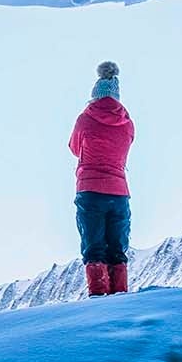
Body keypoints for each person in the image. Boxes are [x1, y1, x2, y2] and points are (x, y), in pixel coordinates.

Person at [69, 60, 134, 296]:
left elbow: (74, 148)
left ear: (94, 95)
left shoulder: (85, 119)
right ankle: (120, 301)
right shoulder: (128, 123)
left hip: (90, 189)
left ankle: (99, 303)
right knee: (117, 250)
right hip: (119, 192)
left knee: (94, 248)